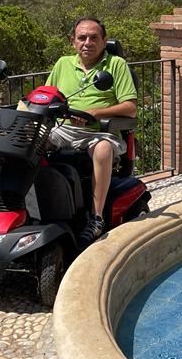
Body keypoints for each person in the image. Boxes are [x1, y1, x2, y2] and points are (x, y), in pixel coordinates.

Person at [44, 17, 137, 246]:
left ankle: (96, 218)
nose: (88, 42)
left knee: (103, 149)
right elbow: (47, 96)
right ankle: (17, 203)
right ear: (73, 41)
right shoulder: (63, 64)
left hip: (99, 132)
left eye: (94, 38)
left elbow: (130, 107)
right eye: (82, 37)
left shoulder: (116, 65)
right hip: (64, 129)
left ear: (104, 41)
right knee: (28, 140)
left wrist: (95, 113)